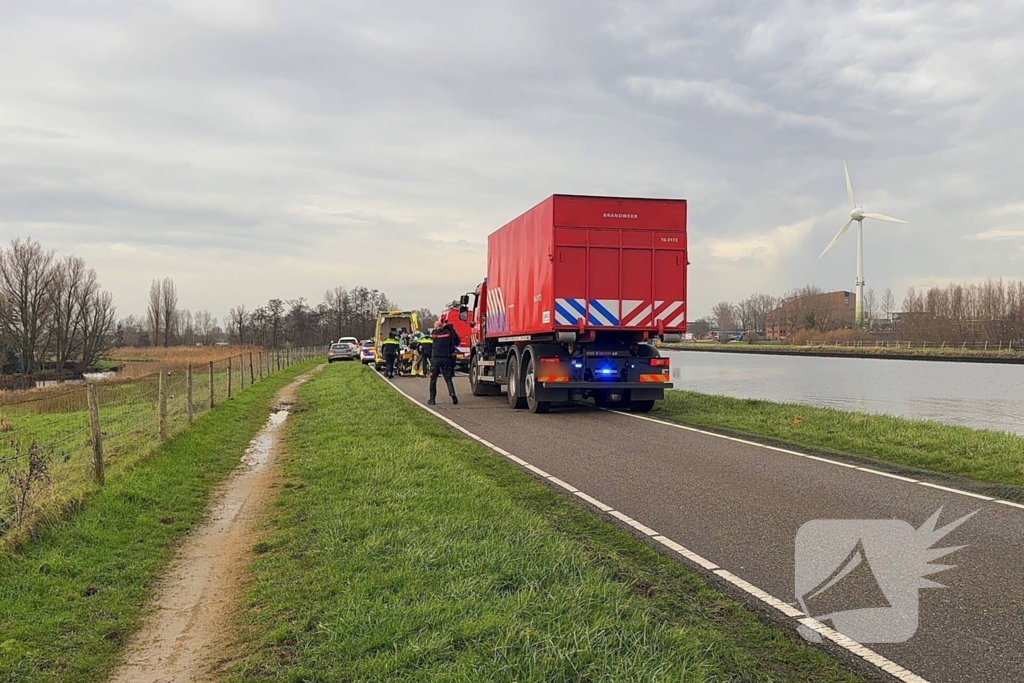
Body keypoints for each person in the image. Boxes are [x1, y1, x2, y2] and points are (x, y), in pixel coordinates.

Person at [428, 318, 460, 405]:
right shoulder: (448, 334)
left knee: (433, 380)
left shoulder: (434, 334)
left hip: (436, 359)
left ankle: (432, 399)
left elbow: (432, 336)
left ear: (437, 327)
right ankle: (452, 394)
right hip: (446, 358)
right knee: (448, 379)